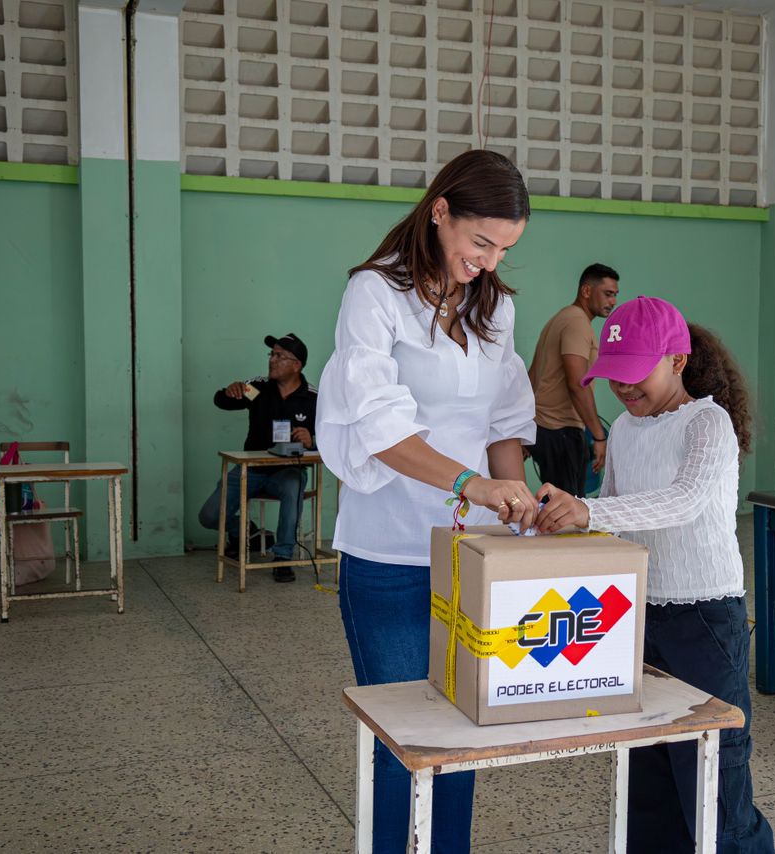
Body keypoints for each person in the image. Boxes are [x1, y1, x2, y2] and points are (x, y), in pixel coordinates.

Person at [316, 150, 539, 854]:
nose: (489, 261)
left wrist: (520, 510)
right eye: (481, 242)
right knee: (404, 739)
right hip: (389, 551)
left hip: (471, 554)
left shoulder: (495, 305)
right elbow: (380, 428)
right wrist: (470, 485)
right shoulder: (376, 294)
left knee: (464, 729)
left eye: (504, 249)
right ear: (439, 210)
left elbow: (505, 420)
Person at [534, 297, 775, 854]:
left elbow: (682, 502)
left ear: (677, 360)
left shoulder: (707, 423)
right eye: (612, 376)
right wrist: (559, 522)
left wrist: (589, 511)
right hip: (637, 610)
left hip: (703, 614)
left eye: (633, 373)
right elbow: (616, 509)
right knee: (647, 758)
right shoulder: (623, 431)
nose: (622, 388)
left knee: (713, 759)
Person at [197, 333, 316, 582]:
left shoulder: (313, 398)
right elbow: (222, 401)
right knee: (208, 516)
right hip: (250, 469)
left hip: (287, 471)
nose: (272, 360)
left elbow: (335, 435)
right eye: (271, 354)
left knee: (293, 486)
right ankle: (243, 532)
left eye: (279, 355)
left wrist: (312, 440)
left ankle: (283, 557)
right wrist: (230, 391)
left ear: (297, 364)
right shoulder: (258, 389)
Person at [527, 263, 619, 495]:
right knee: (566, 517)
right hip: (560, 431)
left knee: (555, 511)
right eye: (608, 294)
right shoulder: (577, 321)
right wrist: (599, 436)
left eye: (615, 295)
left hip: (545, 428)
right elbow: (577, 383)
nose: (613, 301)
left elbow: (531, 376)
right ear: (586, 291)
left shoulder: (562, 318)